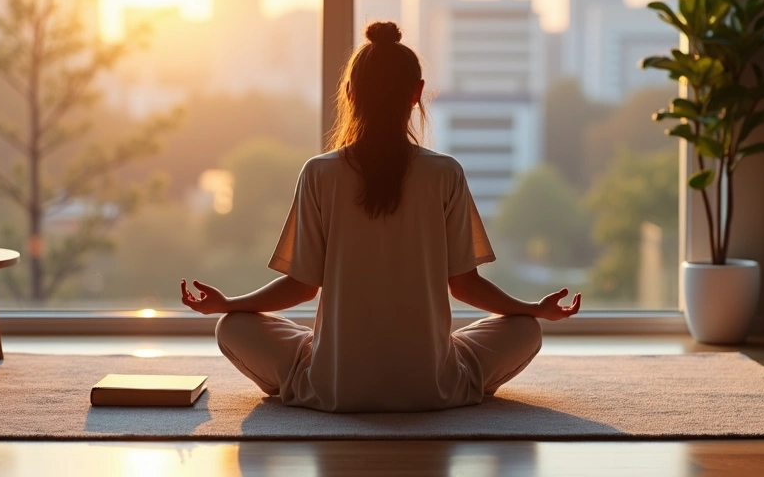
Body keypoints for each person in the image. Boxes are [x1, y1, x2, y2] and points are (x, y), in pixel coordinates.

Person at [181, 21, 580, 413]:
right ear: (417, 93)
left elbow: (301, 288)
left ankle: (303, 377)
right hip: (432, 386)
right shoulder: (445, 173)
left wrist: (227, 304)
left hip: (336, 385)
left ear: (350, 94)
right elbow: (465, 286)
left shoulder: (320, 173)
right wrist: (533, 309)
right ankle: (445, 373)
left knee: (233, 327)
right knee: (525, 330)